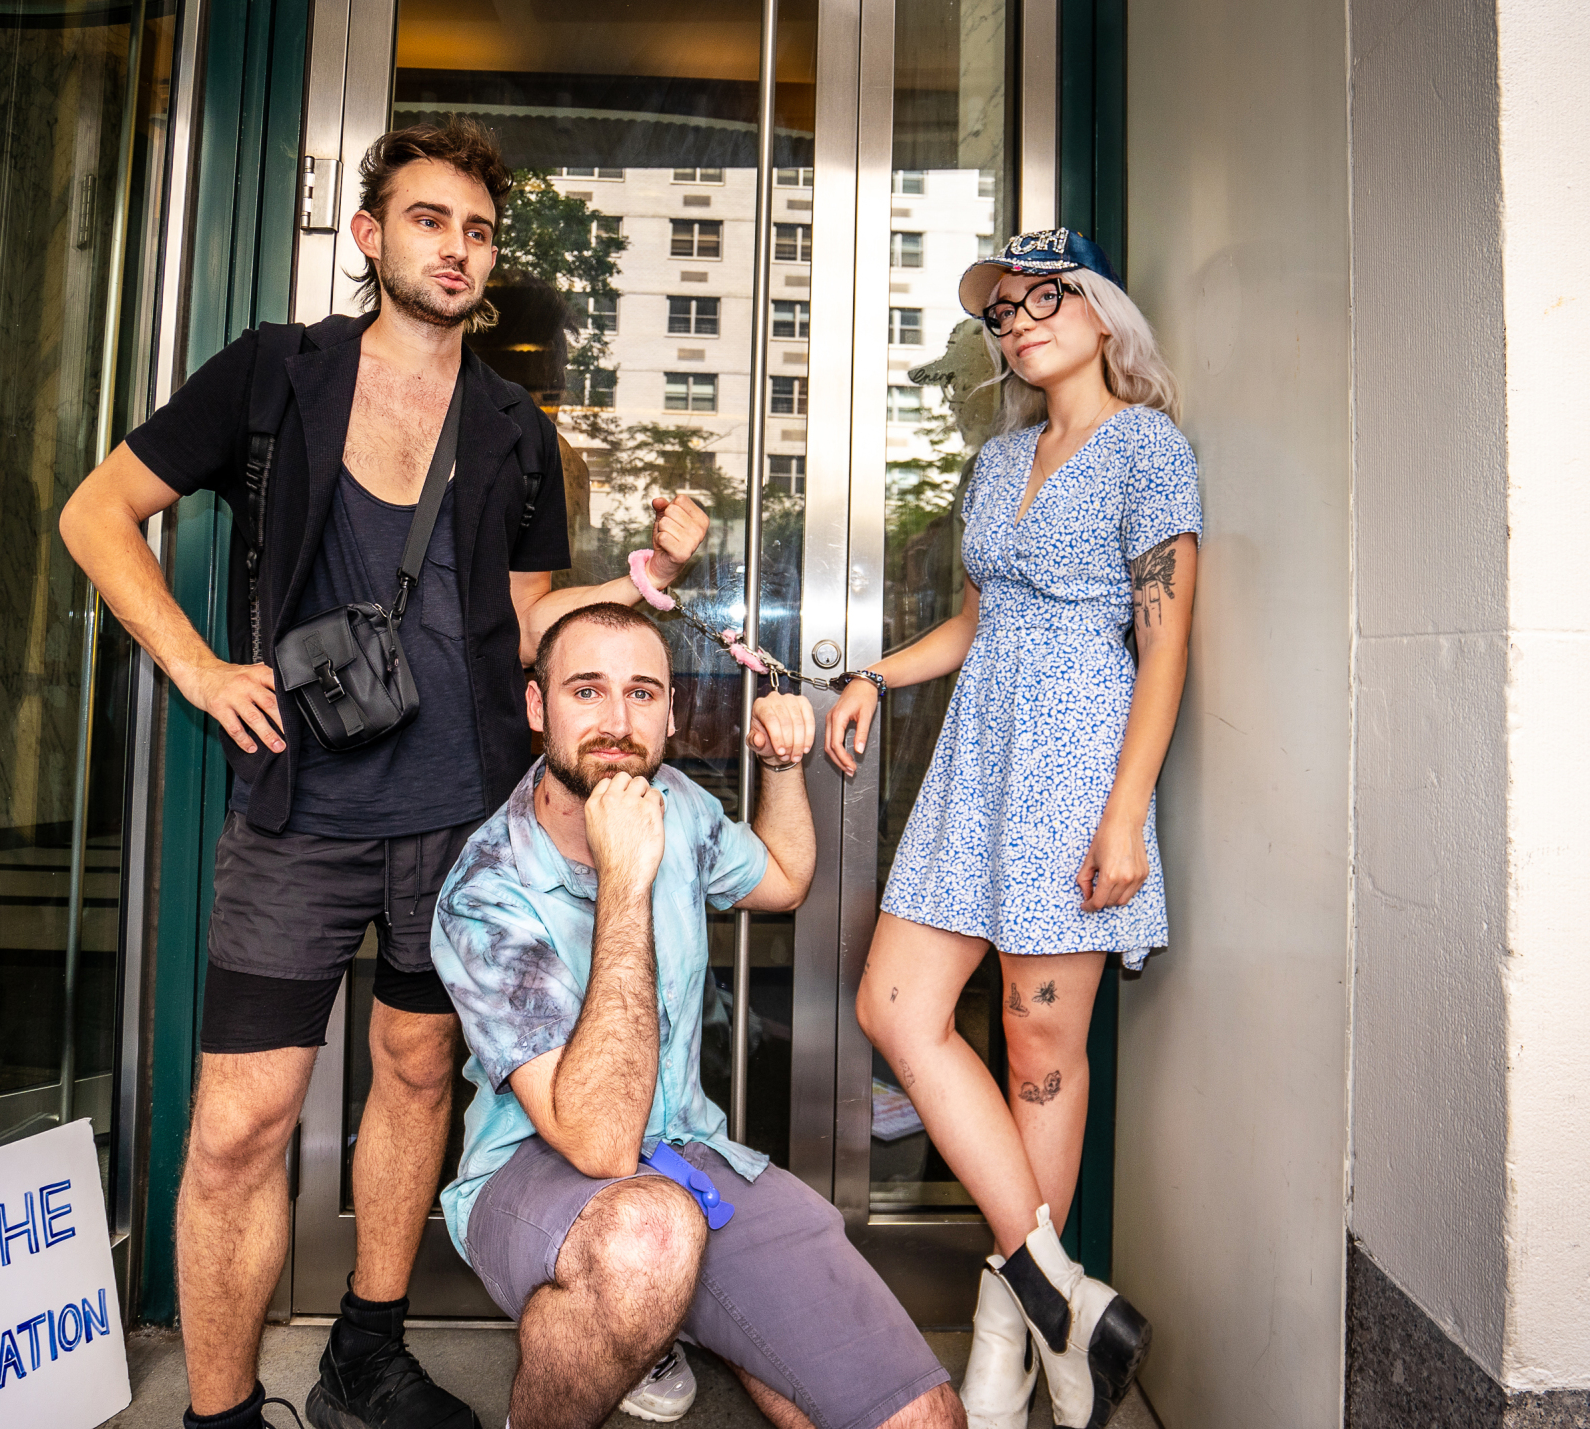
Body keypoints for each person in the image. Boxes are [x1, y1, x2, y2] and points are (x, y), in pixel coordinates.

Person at [58, 121, 709, 1429]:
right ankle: (222, 1410)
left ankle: (366, 1342)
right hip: (298, 817)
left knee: (414, 1078)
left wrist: (645, 582)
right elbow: (96, 512)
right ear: (371, 237)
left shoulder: (514, 427)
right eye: (428, 220)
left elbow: (528, 622)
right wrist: (196, 669)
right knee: (243, 1125)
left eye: (475, 230)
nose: (455, 248)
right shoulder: (274, 378)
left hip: (455, 826)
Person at [824, 229, 1197, 1429]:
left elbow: (1165, 640)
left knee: (1037, 1053)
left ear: (1099, 314)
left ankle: (1008, 1335)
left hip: (1077, 769)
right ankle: (1059, 1295)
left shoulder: (1149, 448)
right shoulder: (996, 462)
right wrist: (873, 677)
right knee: (897, 1004)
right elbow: (971, 628)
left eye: (1045, 296)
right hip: (975, 764)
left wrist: (1125, 813)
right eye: (1002, 310)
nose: (1020, 320)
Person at [431, 603, 967, 1429]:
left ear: (672, 713)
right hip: (534, 1167)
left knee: (923, 1418)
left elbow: (784, 877)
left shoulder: (675, 803)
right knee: (648, 1236)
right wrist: (626, 882)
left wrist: (781, 766)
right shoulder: (486, 891)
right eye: (586, 690)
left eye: (643, 693)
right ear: (538, 709)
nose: (617, 721)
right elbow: (599, 1141)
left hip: (692, 1155)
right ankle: (634, 1314)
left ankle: (661, 1315)